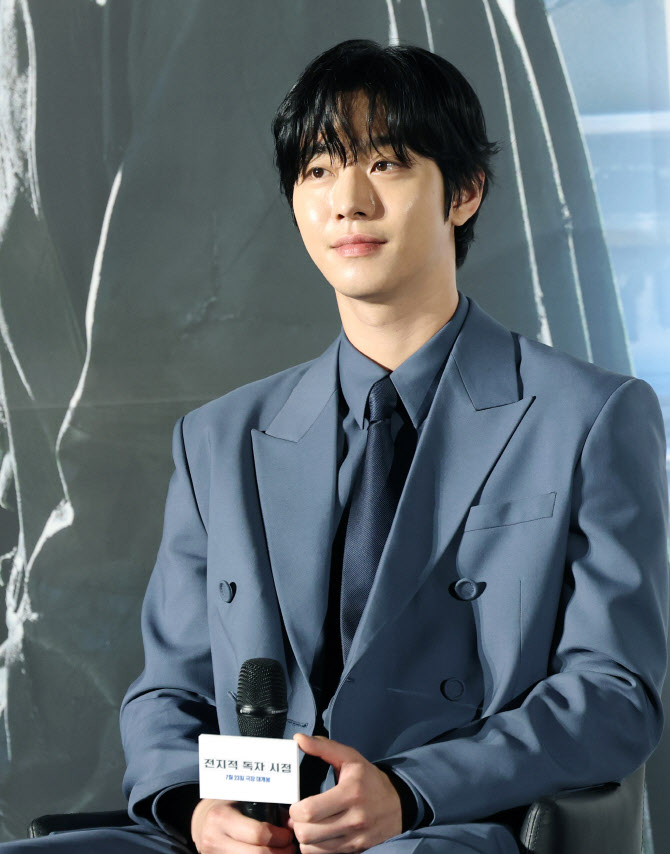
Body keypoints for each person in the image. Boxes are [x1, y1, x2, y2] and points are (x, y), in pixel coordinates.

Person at [3, 37, 668, 854]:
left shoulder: (591, 417)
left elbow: (614, 693)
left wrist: (410, 792)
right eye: (318, 169)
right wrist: (196, 809)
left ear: (464, 192)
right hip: (251, 831)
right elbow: (167, 691)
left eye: (385, 163)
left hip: (445, 826)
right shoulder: (219, 440)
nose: (347, 201)